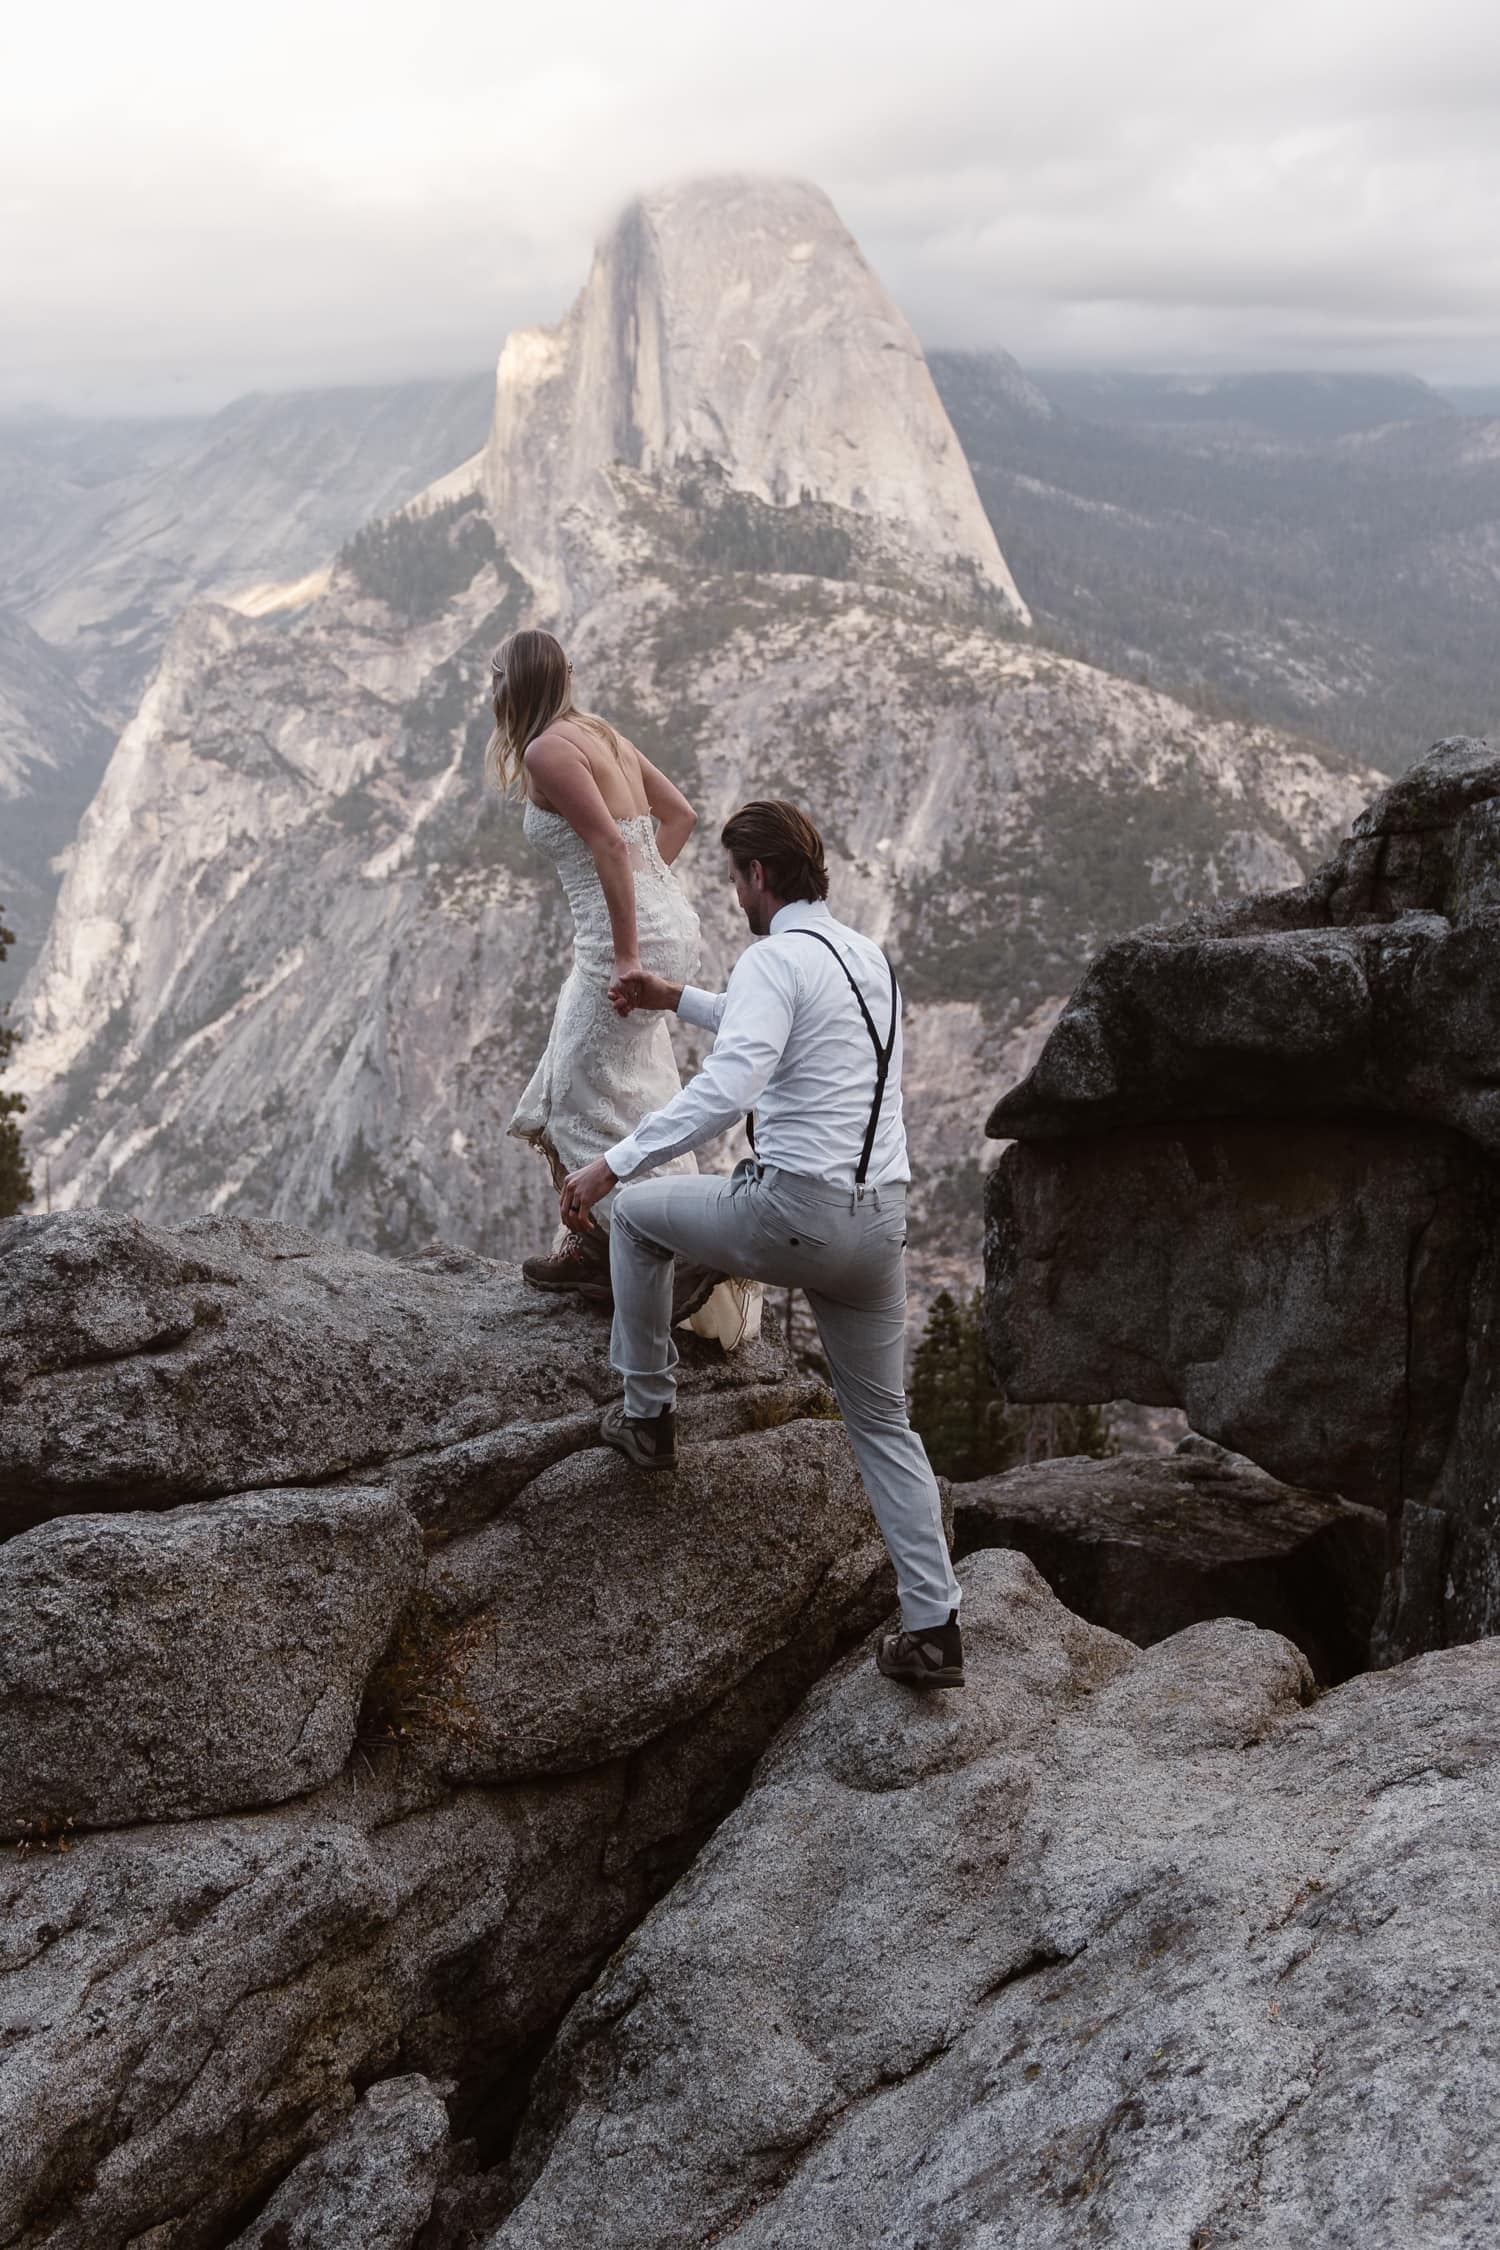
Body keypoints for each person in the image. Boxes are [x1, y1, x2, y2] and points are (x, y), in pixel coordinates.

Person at [560, 798, 965, 1691]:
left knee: (637, 1217)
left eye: (735, 878)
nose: (736, 893)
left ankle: (647, 1415)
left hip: (792, 1212)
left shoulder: (773, 955)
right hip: (879, 1228)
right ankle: (935, 1627)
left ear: (759, 876)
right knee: (884, 1422)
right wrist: (677, 999)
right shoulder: (867, 958)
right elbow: (776, 1017)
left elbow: (737, 1075)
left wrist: (612, 1166)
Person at [487, 627, 758, 1348]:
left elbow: (608, 843)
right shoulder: (598, 732)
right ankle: (595, 1250)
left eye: (494, 680)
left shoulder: (547, 748)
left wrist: (629, 951)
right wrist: (650, 894)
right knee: (628, 1079)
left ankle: (669, 1248)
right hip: (665, 915)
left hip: (625, 937)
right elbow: (681, 816)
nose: (490, 695)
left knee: (577, 1091)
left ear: (513, 685)